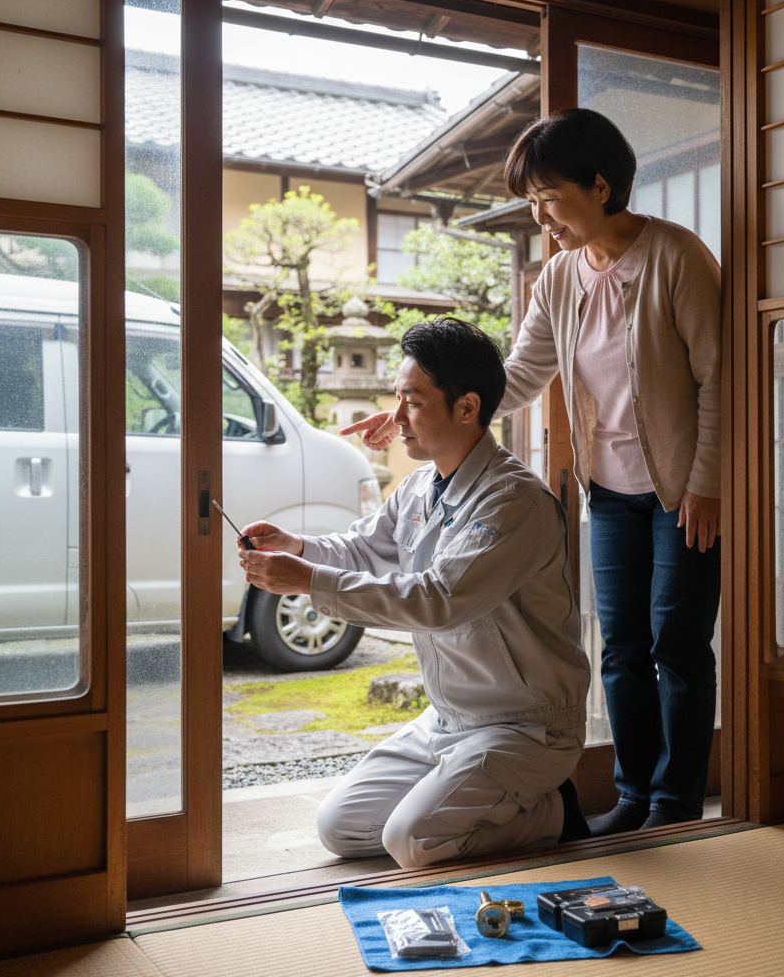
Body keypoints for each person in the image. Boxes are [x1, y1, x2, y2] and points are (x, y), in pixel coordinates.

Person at [344, 109, 722, 835]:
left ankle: (677, 802)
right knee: (620, 646)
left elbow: (717, 377)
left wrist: (707, 483)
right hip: (608, 492)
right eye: (534, 203)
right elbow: (516, 378)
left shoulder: (675, 256)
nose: (543, 217)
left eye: (551, 198)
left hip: (681, 491)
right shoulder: (557, 278)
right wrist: (417, 410)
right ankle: (635, 794)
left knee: (677, 643)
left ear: (602, 185)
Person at [238, 317, 591, 869]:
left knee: (413, 842)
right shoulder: (422, 486)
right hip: (449, 718)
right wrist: (300, 548)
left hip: (526, 724)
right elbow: (361, 548)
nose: (395, 418)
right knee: (343, 827)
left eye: (412, 402)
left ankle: (555, 813)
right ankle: (476, 800)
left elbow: (437, 601)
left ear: (467, 407)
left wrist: (307, 581)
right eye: (397, 398)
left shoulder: (513, 501)